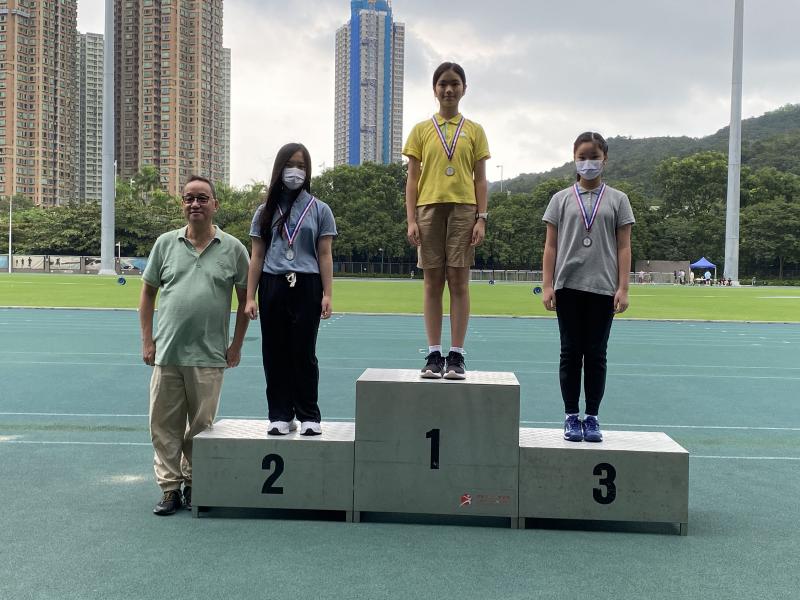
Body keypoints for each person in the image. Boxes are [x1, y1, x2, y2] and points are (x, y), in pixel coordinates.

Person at [139, 175, 250, 516]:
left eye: (202, 198)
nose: (195, 204)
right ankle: (170, 488)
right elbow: (147, 294)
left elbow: (245, 301)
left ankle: (193, 482)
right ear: (182, 204)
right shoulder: (165, 244)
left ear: (215, 204)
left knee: (201, 428)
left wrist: (236, 345)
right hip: (168, 352)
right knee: (164, 425)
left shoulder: (233, 249)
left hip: (209, 354)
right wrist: (148, 340)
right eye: (189, 198)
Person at [541, 132, 635, 443]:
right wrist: (547, 285)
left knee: (596, 354)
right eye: (582, 156)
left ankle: (592, 417)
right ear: (574, 159)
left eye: (593, 156)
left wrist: (623, 287)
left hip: (603, 287)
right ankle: (571, 415)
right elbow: (551, 246)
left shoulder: (619, 199)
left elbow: (624, 247)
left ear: (605, 159)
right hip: (568, 285)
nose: (588, 162)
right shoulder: (560, 199)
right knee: (569, 352)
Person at [403, 61, 490, 380]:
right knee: (431, 281)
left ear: (464, 88)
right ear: (434, 89)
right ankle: (433, 353)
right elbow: (412, 179)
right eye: (442, 83)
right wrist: (411, 219)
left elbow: (481, 179)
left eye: (454, 83)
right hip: (428, 208)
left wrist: (482, 218)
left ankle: (456, 354)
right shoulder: (421, 130)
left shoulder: (475, 130)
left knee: (459, 281)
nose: (449, 89)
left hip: (464, 209)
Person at [244, 143, 336, 436]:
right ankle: (280, 414)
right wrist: (249, 297)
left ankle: (309, 414)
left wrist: (327, 294)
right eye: (289, 164)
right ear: (279, 168)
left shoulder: (320, 209)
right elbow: (256, 256)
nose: (294, 171)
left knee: (304, 351)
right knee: (274, 351)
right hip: (273, 284)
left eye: (301, 165)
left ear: (307, 172)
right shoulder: (264, 211)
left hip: (307, 284)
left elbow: (324, 255)